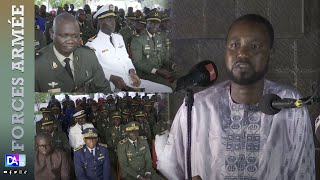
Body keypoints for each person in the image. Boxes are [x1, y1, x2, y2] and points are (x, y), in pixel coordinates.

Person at [155, 14, 316, 179]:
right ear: (226, 51)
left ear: (270, 54)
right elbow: (171, 169)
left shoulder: (289, 103)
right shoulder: (197, 107)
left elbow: (303, 171)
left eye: (254, 46)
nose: (242, 53)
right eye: (235, 45)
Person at [86, 4, 172, 93]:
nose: (113, 22)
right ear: (100, 22)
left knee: (167, 90)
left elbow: (126, 59)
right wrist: (111, 77)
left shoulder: (118, 37)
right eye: (109, 19)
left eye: (113, 19)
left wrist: (132, 71)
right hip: (111, 84)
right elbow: (91, 70)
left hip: (130, 79)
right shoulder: (92, 44)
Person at [35, 13, 111, 93]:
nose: (70, 41)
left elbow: (104, 89)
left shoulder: (89, 55)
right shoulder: (36, 63)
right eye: (64, 36)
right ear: (51, 34)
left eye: (75, 36)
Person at [131, 11, 176, 87]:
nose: (155, 25)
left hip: (159, 71)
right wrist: (157, 71)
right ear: (147, 23)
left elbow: (162, 56)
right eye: (152, 22)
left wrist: (172, 65)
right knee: (172, 87)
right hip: (146, 74)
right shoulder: (138, 39)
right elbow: (137, 63)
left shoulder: (158, 37)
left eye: (157, 23)